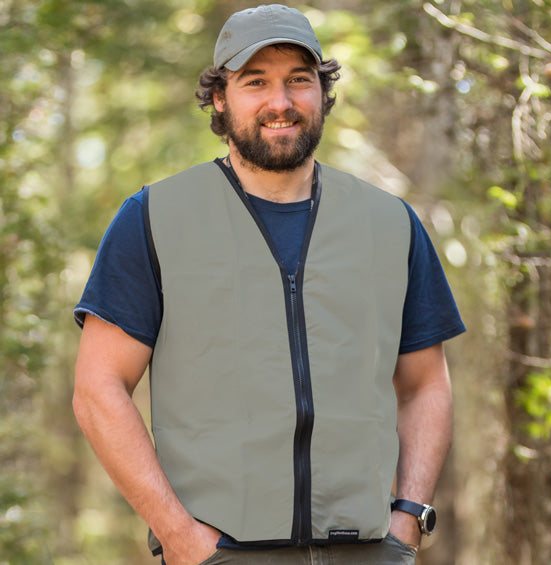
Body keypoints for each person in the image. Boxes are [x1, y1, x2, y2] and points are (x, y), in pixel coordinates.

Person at [73, 4, 466, 565]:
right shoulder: (155, 218)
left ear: (321, 93)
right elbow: (98, 389)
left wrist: (406, 524)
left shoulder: (390, 223)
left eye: (298, 81)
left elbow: (426, 386)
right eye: (255, 82)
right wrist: (179, 536)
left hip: (369, 550)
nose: (280, 103)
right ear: (219, 97)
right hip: (221, 552)